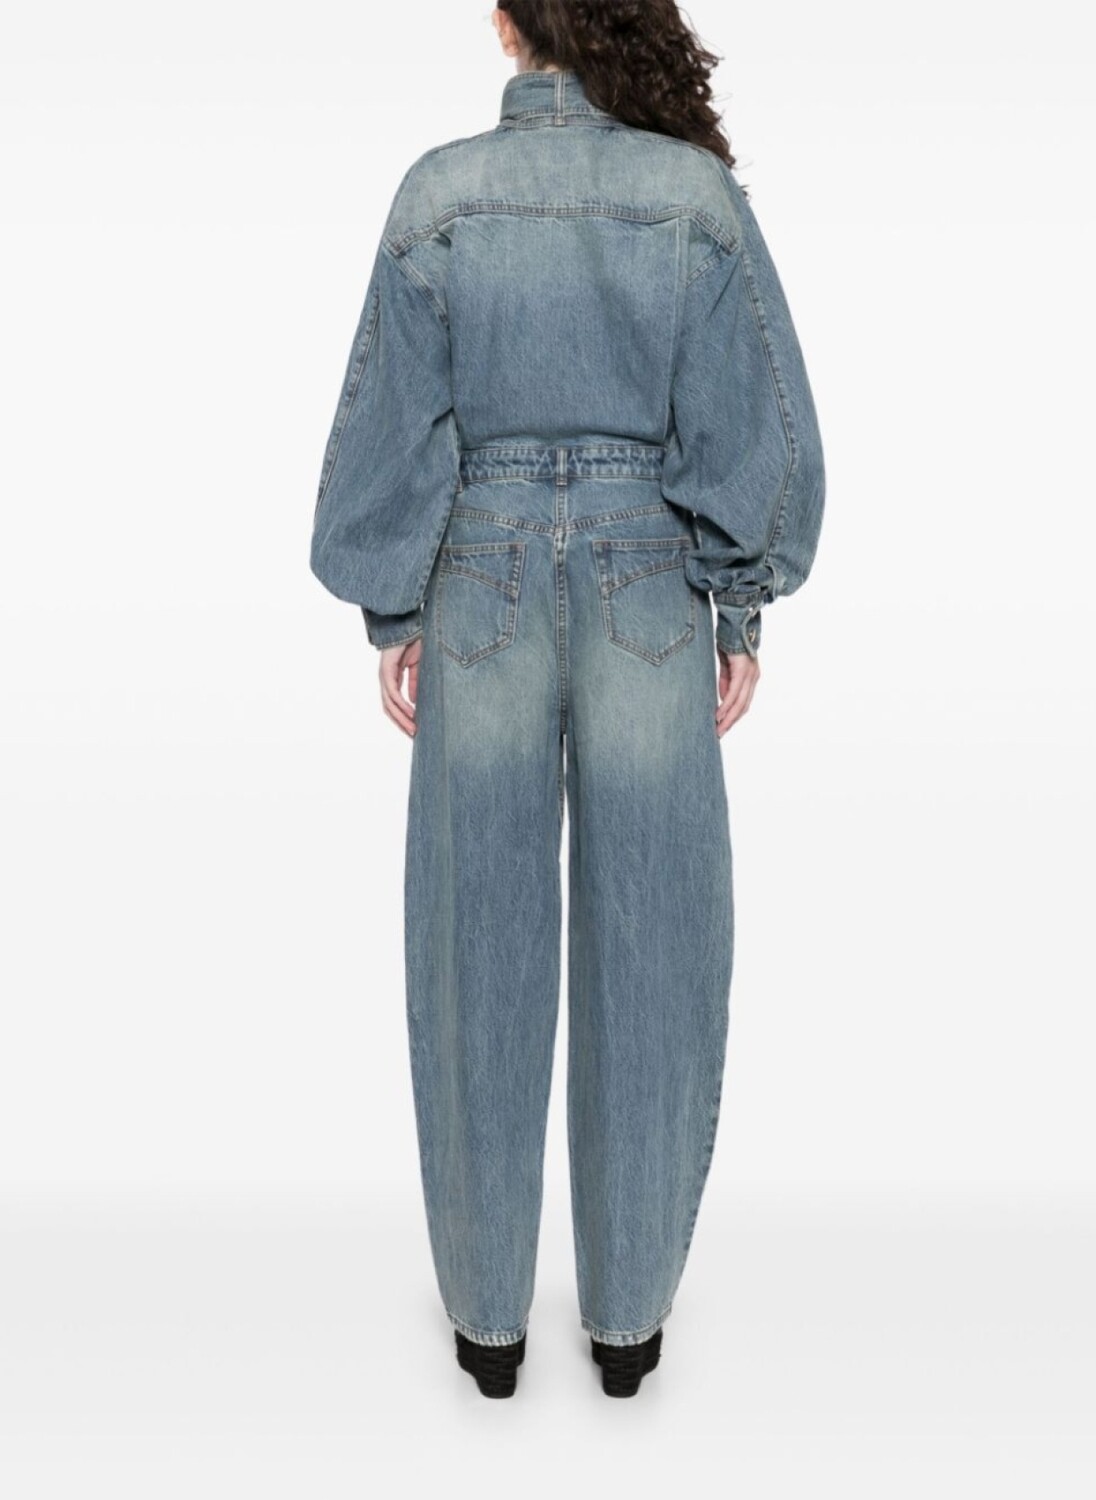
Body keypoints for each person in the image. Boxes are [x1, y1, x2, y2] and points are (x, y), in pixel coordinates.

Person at [310, 0, 825, 1399]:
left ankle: (488, 1327)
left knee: (472, 942)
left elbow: (386, 429)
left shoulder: (438, 196)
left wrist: (397, 610)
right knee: (654, 943)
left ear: (507, 29)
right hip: (648, 580)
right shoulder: (690, 197)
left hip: (474, 579)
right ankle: (628, 1326)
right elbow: (759, 425)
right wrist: (739, 603)